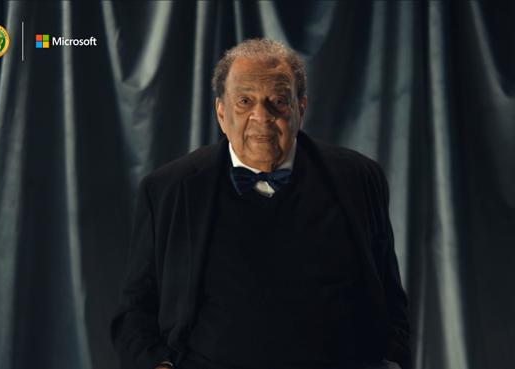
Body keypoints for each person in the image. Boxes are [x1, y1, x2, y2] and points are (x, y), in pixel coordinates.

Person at [111, 38, 411, 369]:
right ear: (221, 113)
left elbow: (389, 302)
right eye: (244, 101)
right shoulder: (167, 189)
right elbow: (135, 312)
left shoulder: (359, 178)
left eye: (278, 101)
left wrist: (392, 362)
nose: (261, 116)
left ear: (301, 108)